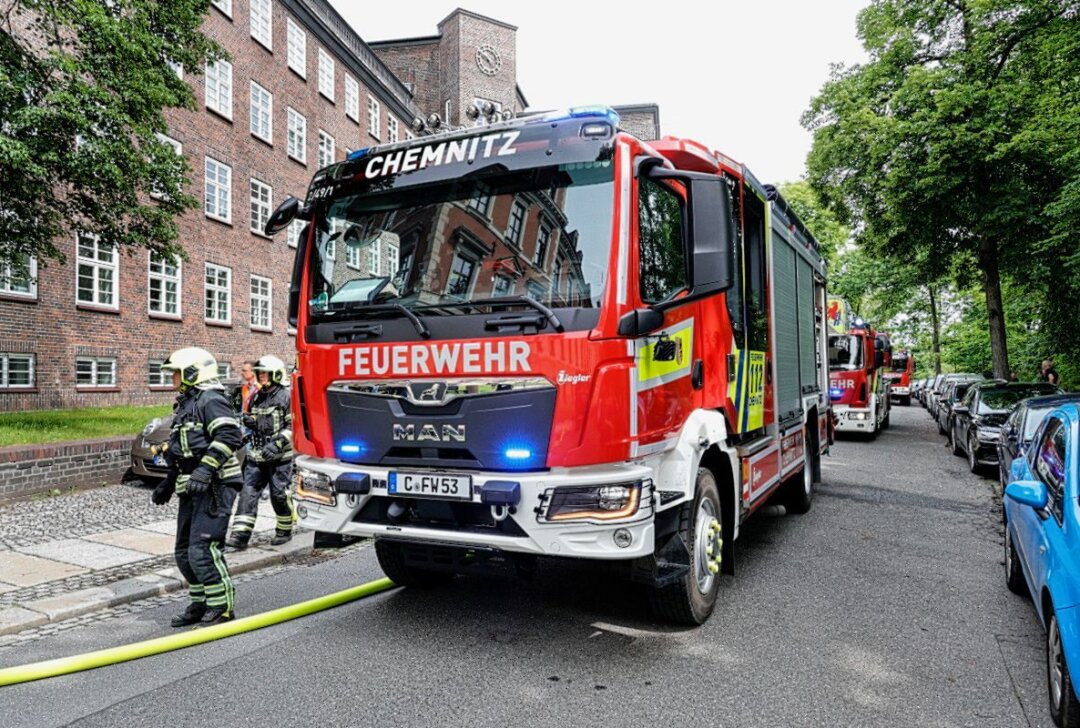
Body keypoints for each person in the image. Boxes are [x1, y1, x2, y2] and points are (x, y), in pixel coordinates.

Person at [151, 347, 243, 626]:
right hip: (191, 485)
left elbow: (229, 435)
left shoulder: (211, 400)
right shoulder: (187, 404)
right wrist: (168, 482)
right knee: (184, 552)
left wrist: (204, 472)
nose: (172, 379)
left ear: (192, 373)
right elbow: (180, 450)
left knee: (203, 549)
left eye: (176, 373)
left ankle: (222, 606)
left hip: (216, 484)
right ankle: (200, 602)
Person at [226, 354, 296, 549]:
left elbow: (294, 425)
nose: (262, 376)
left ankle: (284, 530)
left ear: (275, 374)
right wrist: (249, 428)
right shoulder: (257, 396)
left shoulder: (286, 395)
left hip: (279, 457)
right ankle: (240, 536)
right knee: (248, 493)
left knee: (279, 494)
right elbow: (258, 425)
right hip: (256, 456)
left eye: (265, 373)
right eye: (260, 372)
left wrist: (277, 444)